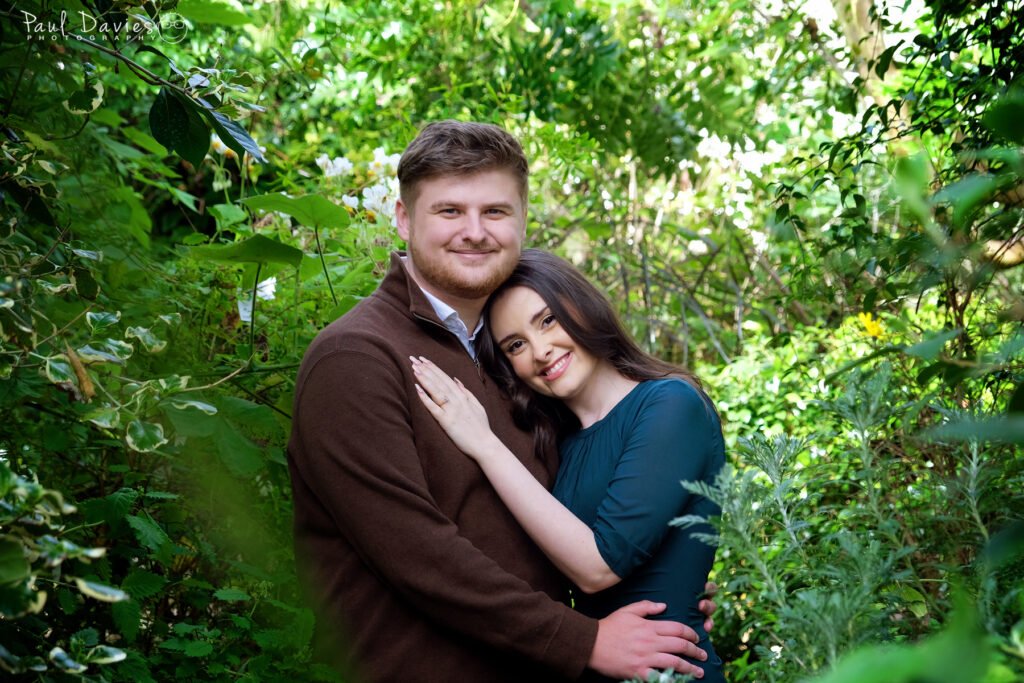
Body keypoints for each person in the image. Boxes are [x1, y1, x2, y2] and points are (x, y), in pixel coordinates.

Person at [288, 120, 715, 683]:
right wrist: (583, 639)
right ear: (402, 218)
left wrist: (665, 578)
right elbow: (417, 554)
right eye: (449, 211)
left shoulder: (513, 362)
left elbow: (575, 519)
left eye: (495, 211)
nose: (474, 231)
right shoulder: (357, 357)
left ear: (521, 219)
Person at [410, 249, 726, 683]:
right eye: (516, 345)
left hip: (669, 669)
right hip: (595, 667)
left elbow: (600, 566)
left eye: (547, 320)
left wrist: (484, 443)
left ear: (581, 306)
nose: (540, 351)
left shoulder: (671, 404)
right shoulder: (561, 443)